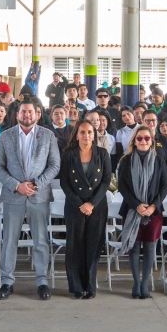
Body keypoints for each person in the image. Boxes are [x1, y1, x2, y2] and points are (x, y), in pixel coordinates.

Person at [0, 100, 61, 300]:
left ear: (37, 114)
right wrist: (17, 185)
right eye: (24, 112)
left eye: (31, 112)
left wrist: (36, 184)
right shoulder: (6, 136)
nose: (27, 115)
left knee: (40, 240)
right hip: (14, 195)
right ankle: (6, 281)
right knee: (9, 241)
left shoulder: (48, 136)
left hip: (38, 195)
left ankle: (42, 281)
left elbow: (55, 165)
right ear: (17, 114)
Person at [59, 120, 111, 299]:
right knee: (75, 246)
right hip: (75, 206)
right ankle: (77, 287)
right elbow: (64, 181)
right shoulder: (68, 154)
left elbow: (105, 181)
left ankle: (90, 286)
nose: (86, 135)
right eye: (82, 132)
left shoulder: (102, 154)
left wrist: (92, 204)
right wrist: (80, 203)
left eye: (89, 132)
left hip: (96, 206)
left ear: (94, 134)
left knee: (93, 246)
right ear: (77, 134)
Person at [119, 126, 167, 300]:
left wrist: (153, 206)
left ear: (151, 140)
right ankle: (136, 283)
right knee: (133, 247)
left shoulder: (159, 160)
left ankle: (145, 282)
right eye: (139, 138)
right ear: (134, 141)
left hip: (153, 212)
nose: (143, 141)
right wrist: (137, 205)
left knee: (149, 247)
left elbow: (164, 186)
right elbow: (122, 186)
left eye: (147, 138)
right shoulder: (125, 161)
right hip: (132, 210)